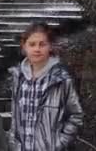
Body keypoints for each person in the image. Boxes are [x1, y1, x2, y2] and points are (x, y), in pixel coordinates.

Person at [8, 22, 83, 150]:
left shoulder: (62, 79)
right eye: (32, 44)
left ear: (50, 46)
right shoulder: (18, 77)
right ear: (24, 46)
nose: (37, 49)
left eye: (42, 44)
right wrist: (13, 142)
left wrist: (59, 143)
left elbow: (76, 115)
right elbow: (15, 117)